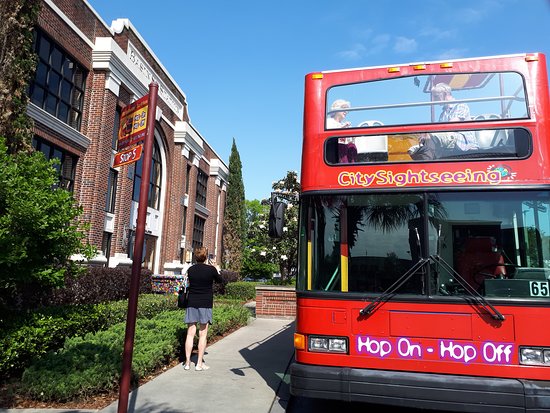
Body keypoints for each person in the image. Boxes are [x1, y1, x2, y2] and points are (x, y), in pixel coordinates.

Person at [408, 83, 478, 160]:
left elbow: (452, 125)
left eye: (436, 96)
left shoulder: (461, 105)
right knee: (414, 149)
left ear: (445, 93)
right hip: (449, 140)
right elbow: (440, 131)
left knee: (431, 137)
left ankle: (427, 166)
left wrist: (429, 132)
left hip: (463, 141)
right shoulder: (443, 114)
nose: (434, 100)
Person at [183, 246, 223, 371]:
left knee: (190, 334)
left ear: (195, 257)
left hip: (192, 302)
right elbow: (220, 281)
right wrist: (217, 269)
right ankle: (199, 364)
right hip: (205, 303)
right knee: (203, 334)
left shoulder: (191, 269)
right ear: (206, 257)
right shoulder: (211, 270)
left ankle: (187, 363)